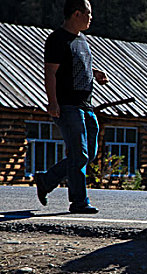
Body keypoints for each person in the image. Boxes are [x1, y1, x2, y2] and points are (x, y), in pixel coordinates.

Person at [35, 0, 109, 213]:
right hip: (67, 105)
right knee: (79, 153)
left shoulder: (82, 40)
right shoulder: (57, 39)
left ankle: (47, 180)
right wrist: (53, 102)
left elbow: (77, 65)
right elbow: (50, 72)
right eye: (89, 13)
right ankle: (79, 202)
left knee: (89, 153)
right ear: (77, 14)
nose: (91, 18)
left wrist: (95, 74)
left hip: (86, 105)